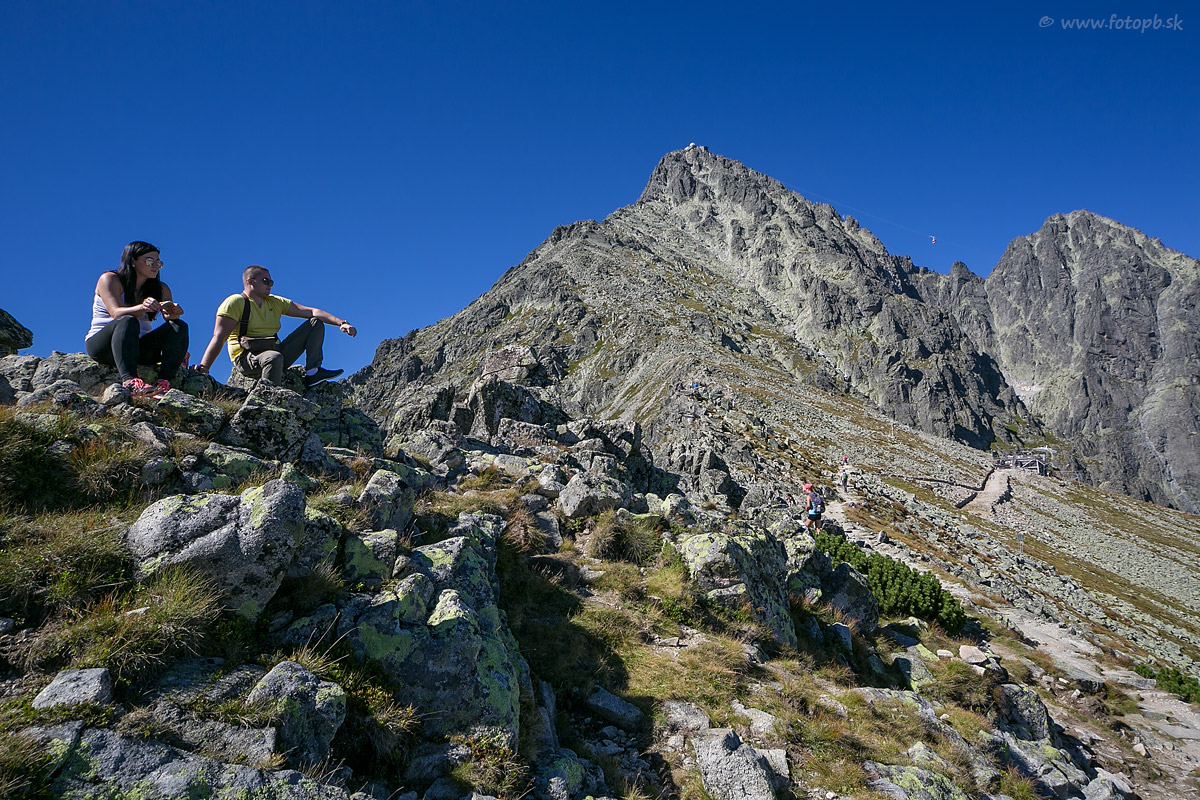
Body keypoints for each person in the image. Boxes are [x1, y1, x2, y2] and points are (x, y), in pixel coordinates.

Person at [193, 265, 355, 388]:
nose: (270, 285)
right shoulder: (235, 302)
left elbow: (313, 312)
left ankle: (313, 372)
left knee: (315, 323)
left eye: (271, 282)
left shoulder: (274, 302)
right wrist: (204, 367)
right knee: (273, 358)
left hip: (275, 351)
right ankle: (270, 399)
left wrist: (341, 323)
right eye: (266, 281)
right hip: (247, 358)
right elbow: (219, 337)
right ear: (250, 281)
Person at [85, 241, 189, 396]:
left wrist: (173, 313)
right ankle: (130, 382)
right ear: (133, 261)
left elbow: (171, 321)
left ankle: (164, 382)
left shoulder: (161, 289)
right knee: (127, 320)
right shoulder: (110, 279)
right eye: (149, 261)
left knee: (179, 326)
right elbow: (116, 313)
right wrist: (142, 307)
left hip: (137, 349)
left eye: (158, 262)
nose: (155, 266)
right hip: (105, 346)